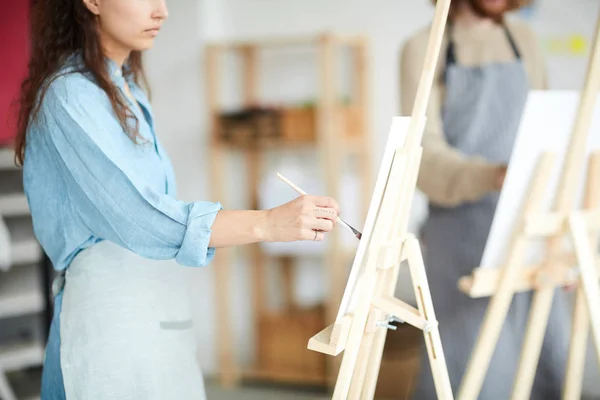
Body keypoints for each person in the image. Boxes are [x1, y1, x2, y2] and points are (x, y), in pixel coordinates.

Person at [15, 1, 341, 398]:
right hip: (109, 323)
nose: (162, 11)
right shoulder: (69, 96)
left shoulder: (126, 89)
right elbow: (140, 218)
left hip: (151, 310)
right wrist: (267, 223)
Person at [401, 0, 570, 398]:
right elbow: (422, 155)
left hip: (527, 228)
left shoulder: (524, 39)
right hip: (460, 236)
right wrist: (492, 175)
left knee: (547, 360)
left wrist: (560, 236)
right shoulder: (422, 48)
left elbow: (547, 137)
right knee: (473, 372)